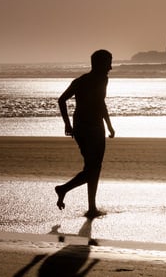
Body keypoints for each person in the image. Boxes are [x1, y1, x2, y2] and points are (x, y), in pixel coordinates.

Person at [55, 49, 115, 218]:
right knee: (93, 168)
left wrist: (109, 125)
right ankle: (64, 189)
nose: (110, 67)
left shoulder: (88, 80)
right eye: (108, 63)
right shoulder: (92, 80)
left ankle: (91, 207)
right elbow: (62, 100)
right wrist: (66, 124)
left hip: (87, 126)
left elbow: (100, 103)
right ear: (98, 64)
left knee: (93, 167)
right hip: (89, 127)